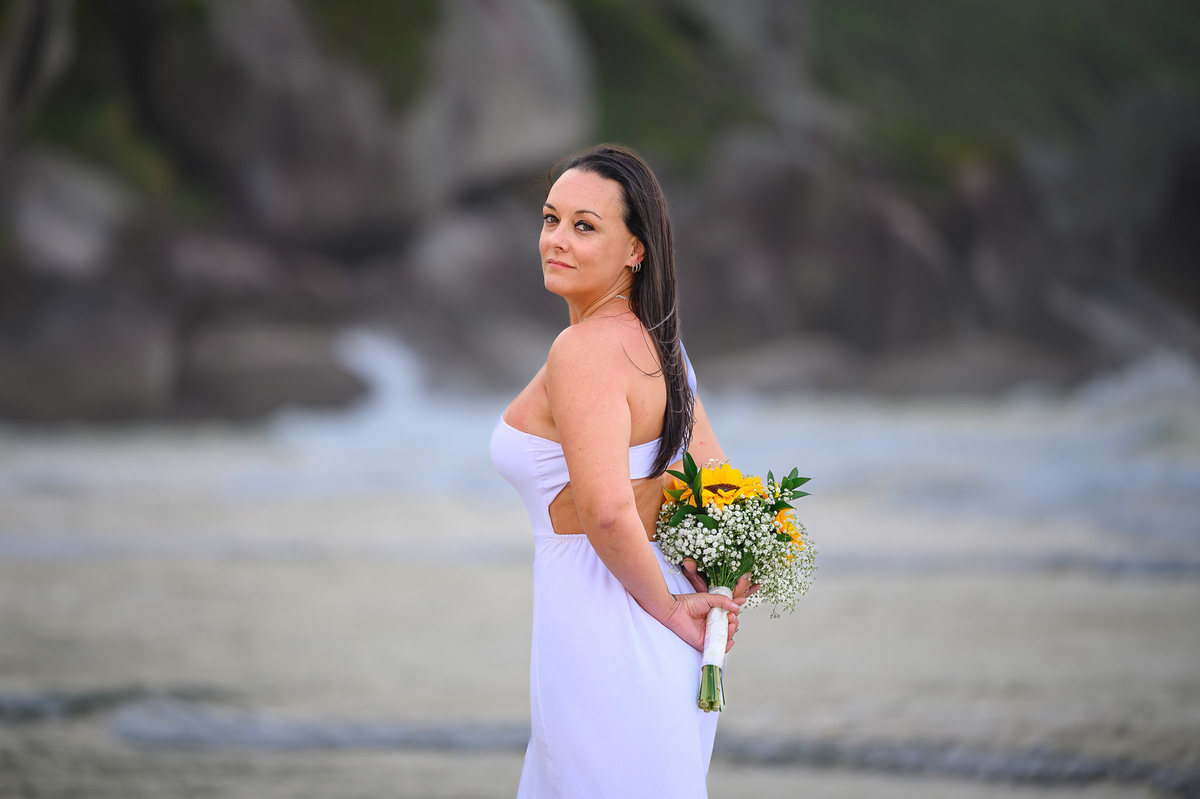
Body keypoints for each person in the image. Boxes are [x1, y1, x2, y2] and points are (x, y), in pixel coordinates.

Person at [490, 143, 756, 798]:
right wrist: (722, 586)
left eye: (584, 226)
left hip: (610, 631)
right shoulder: (664, 349)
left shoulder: (582, 350)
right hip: (662, 642)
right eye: (551, 219)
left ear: (636, 249)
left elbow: (605, 512)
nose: (556, 239)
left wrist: (673, 610)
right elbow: (724, 491)